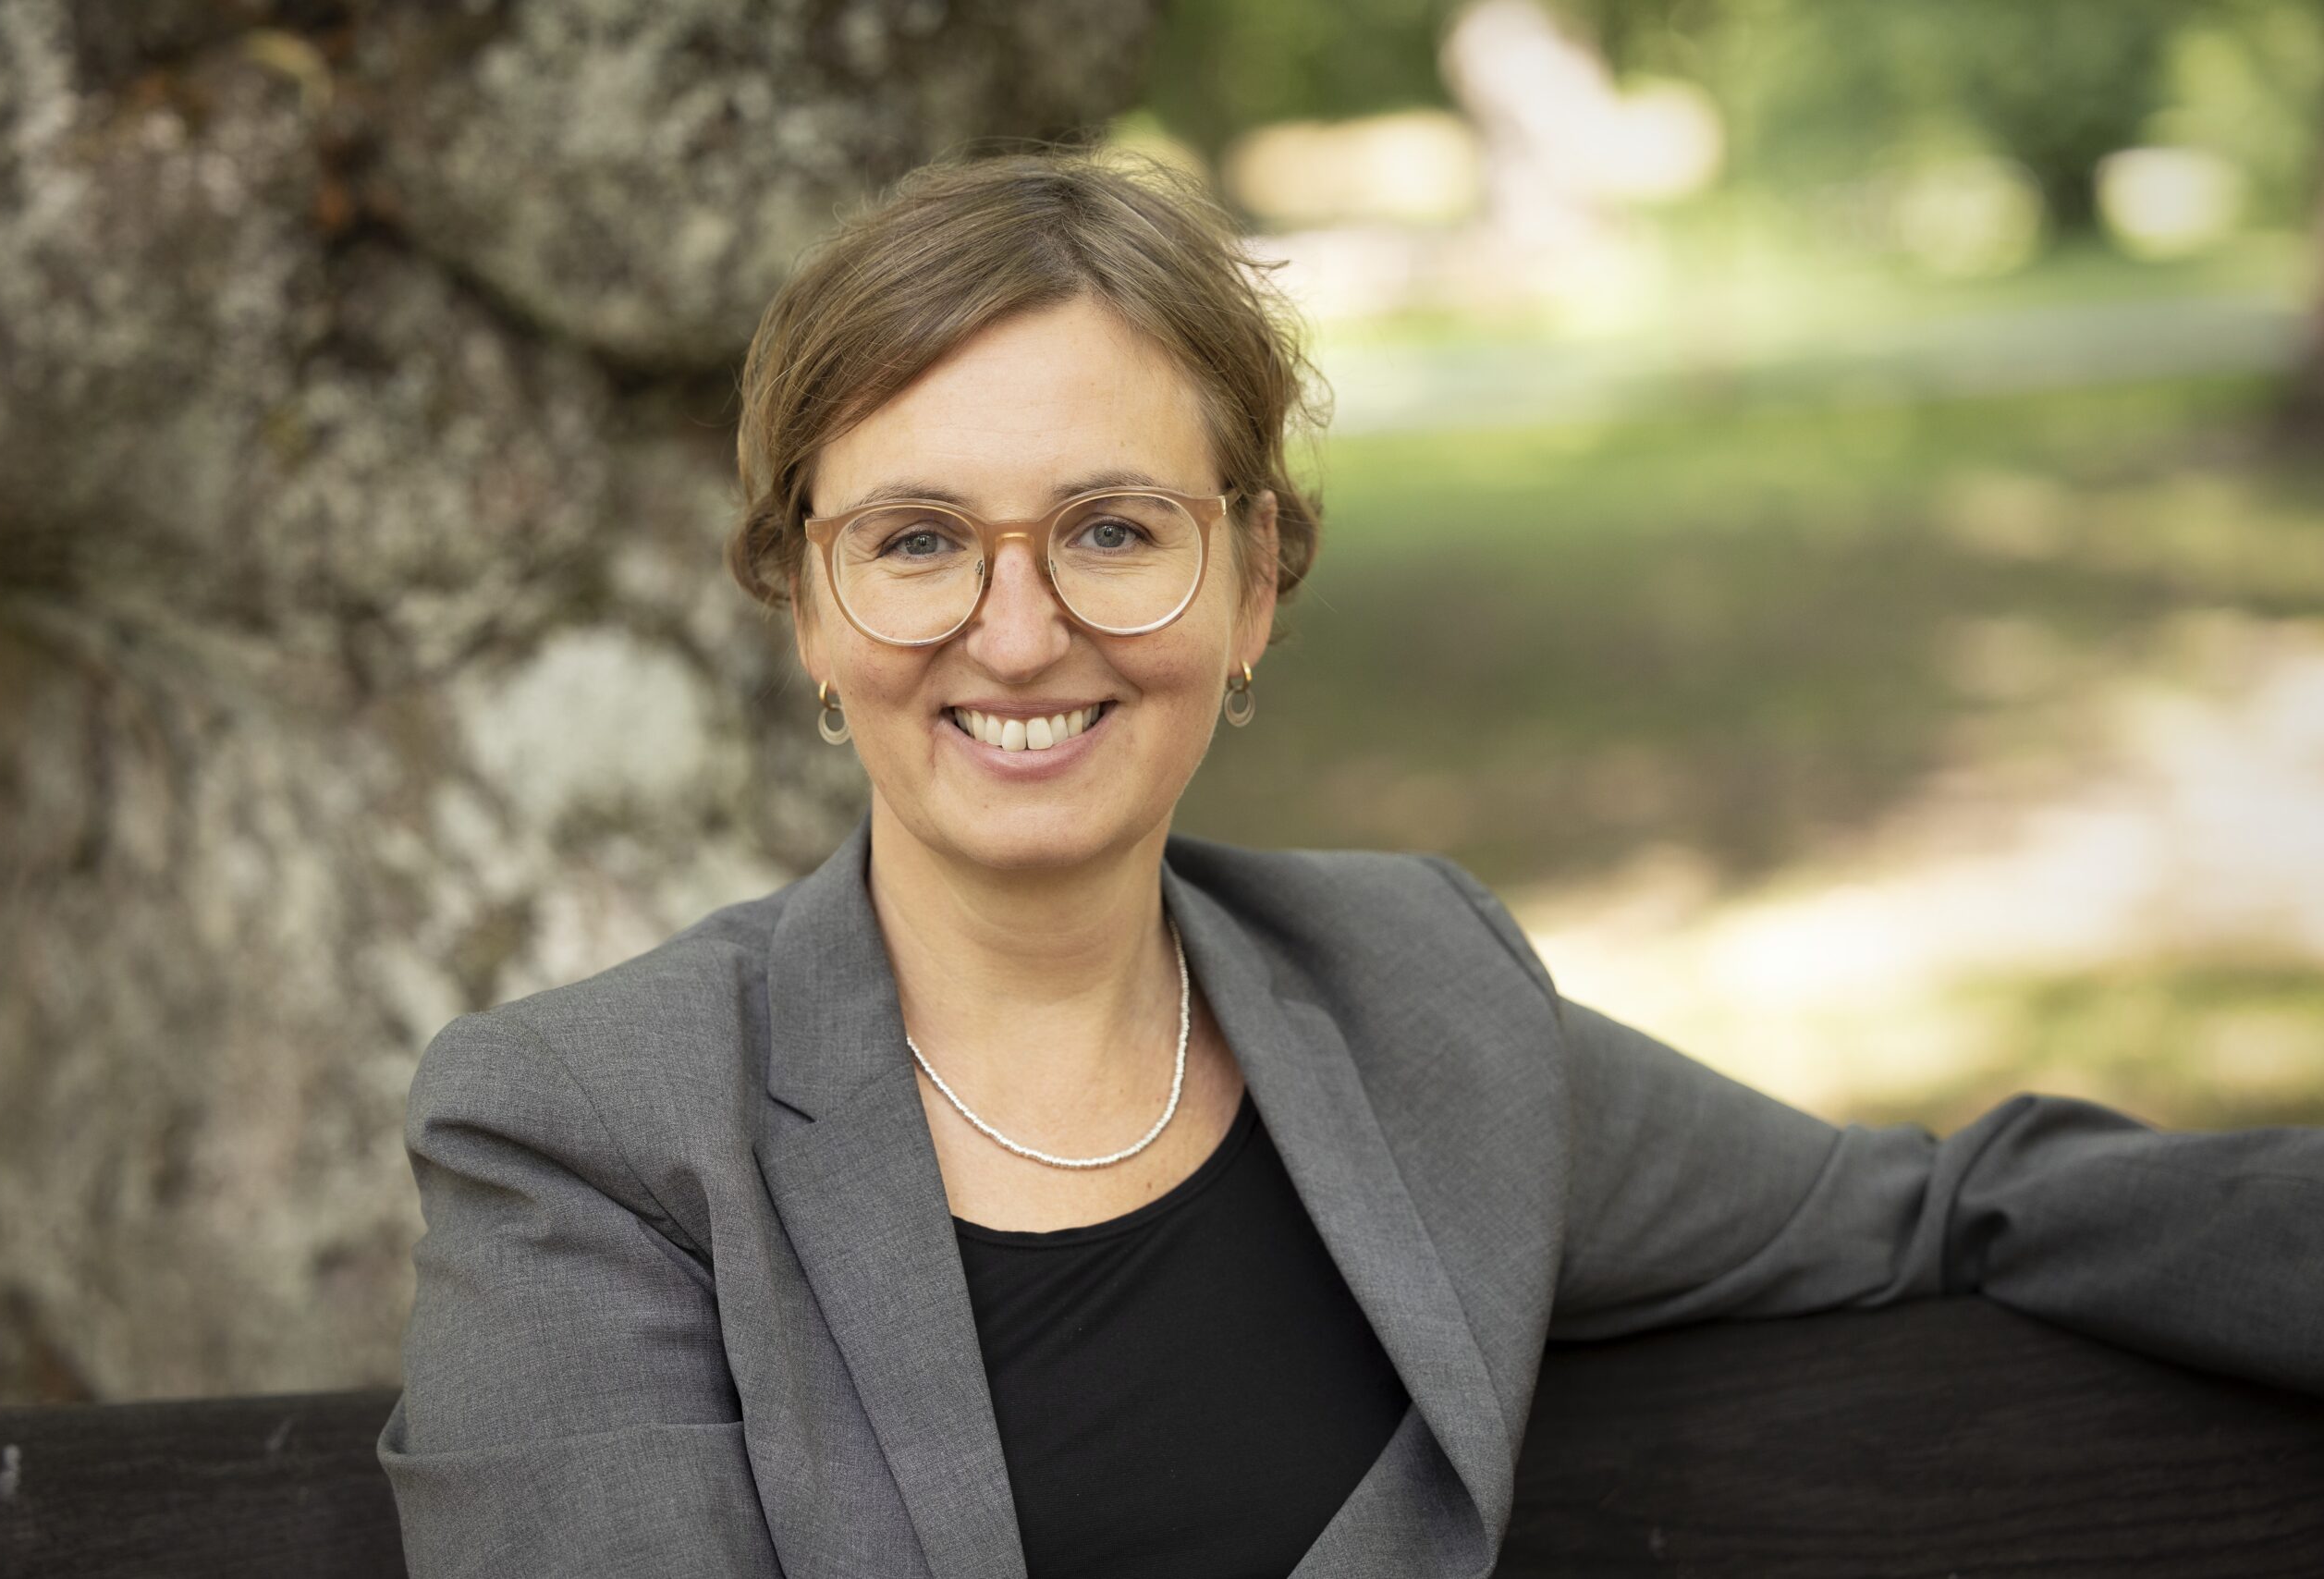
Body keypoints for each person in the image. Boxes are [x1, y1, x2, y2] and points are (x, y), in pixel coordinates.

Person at [374, 147, 2324, 1579]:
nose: (1019, 624)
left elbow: (1938, 1210)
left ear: (1254, 587)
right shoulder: (589, 1129)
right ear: (803, 607)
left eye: (1114, 528)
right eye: (913, 540)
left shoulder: (1420, 999)